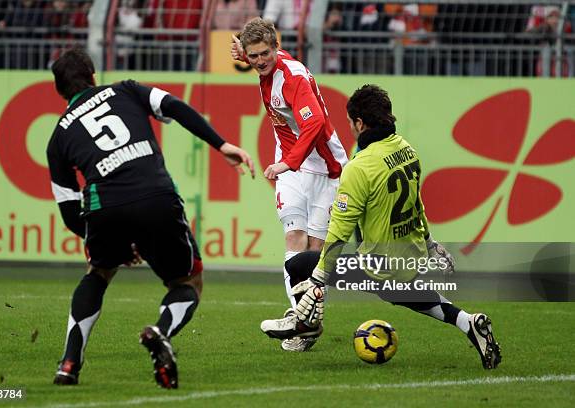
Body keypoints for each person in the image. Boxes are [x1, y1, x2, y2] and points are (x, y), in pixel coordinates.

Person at [47, 47, 255, 388]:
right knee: (188, 283)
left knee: (98, 271)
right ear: (93, 75)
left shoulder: (58, 137)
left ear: (60, 92)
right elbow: (174, 106)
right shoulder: (125, 89)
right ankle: (161, 332)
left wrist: (108, 243)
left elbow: (70, 212)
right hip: (155, 196)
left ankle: (69, 362)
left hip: (104, 208)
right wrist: (221, 145)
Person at [260, 84, 502, 370]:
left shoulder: (359, 167)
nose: (349, 128)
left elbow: (338, 231)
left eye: (350, 123)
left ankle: (305, 327)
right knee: (404, 292)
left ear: (360, 123)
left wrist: (317, 282)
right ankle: (468, 323)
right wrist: (430, 242)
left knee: (299, 265)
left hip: (379, 264)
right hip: (410, 255)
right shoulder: (407, 150)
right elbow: (416, 204)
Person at [231, 17, 348, 352]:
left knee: (314, 254)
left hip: (326, 169)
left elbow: (316, 124)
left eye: (265, 53)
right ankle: (304, 323)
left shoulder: (292, 77)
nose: (259, 61)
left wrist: (289, 161)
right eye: (253, 56)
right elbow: (258, 57)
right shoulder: (264, 64)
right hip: (293, 168)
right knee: (293, 239)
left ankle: (306, 319)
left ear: (277, 47)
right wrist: (245, 52)